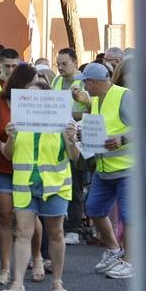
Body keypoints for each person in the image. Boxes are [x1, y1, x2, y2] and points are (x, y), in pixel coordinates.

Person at [0, 77, 81, 291]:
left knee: (56, 233)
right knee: (22, 233)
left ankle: (57, 283)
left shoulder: (62, 122)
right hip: (25, 184)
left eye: (36, 95)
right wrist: (10, 137)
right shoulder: (18, 122)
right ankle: (17, 285)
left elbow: (75, 157)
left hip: (55, 185)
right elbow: (8, 154)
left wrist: (71, 140)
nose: (31, 99)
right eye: (28, 95)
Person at [0, 63, 43, 285]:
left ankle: (37, 258)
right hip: (2, 167)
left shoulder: (40, 103)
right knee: (5, 216)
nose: (35, 87)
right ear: (21, 82)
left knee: (30, 215)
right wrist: (0, 145)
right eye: (32, 83)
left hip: (29, 167)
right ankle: (5, 268)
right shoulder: (0, 103)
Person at [78, 62, 134, 279]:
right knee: (94, 209)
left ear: (93, 82)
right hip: (104, 169)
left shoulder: (124, 96)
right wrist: (85, 135)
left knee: (130, 218)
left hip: (128, 168)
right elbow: (100, 129)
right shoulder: (96, 100)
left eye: (85, 83)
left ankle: (130, 262)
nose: (84, 87)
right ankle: (113, 249)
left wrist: (123, 139)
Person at [54, 48, 90, 243]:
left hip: (79, 139)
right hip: (58, 138)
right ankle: (61, 223)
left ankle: (73, 228)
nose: (60, 67)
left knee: (75, 183)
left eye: (64, 64)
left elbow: (92, 109)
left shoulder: (83, 83)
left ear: (75, 62)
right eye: (58, 64)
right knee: (60, 181)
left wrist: (67, 116)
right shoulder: (56, 81)